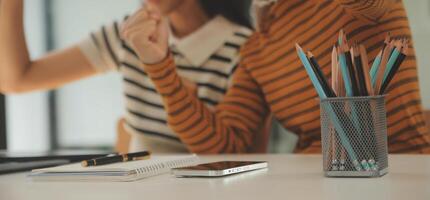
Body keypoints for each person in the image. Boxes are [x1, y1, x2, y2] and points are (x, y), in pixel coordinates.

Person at [122, 0, 430, 154]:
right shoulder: (257, 47)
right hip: (314, 184)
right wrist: (160, 66)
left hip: (405, 168)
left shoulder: (350, 7)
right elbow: (227, 145)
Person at [0, 0, 253, 153]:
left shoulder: (246, 50)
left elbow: (242, 156)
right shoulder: (128, 35)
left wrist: (166, 76)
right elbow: (16, 79)